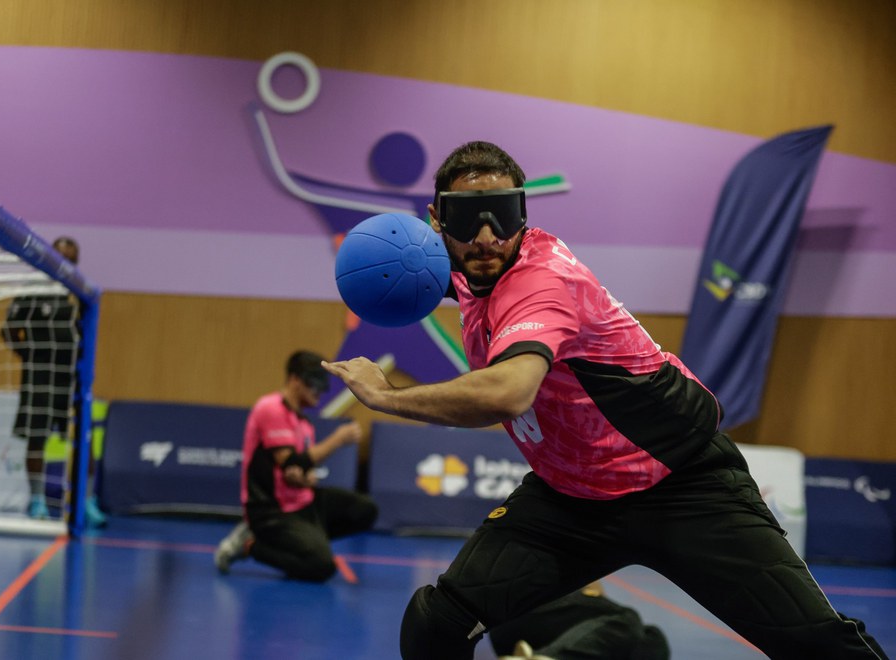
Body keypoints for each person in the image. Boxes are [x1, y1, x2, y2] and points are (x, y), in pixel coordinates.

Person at [322, 141, 888, 659]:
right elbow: (417, 268)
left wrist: (387, 396)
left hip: (683, 485)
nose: (489, 235)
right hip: (570, 501)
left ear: (525, 216)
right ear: (437, 223)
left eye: (506, 214)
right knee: (436, 624)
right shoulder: (466, 266)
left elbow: (508, 393)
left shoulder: (541, 280)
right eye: (468, 218)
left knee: (820, 647)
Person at [216, 350, 378, 582]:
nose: (319, 392)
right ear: (294, 380)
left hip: (303, 502)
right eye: (314, 384)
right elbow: (292, 462)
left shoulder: (304, 424)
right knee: (321, 567)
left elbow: (296, 469)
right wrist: (338, 440)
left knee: (366, 510)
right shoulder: (270, 408)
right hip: (272, 511)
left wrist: (305, 477)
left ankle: (309, 539)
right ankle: (250, 545)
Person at [2, 236, 106, 527]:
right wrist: (28, 356)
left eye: (70, 259)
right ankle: (36, 500)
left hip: (72, 379)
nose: (64, 263)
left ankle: (87, 502)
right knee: (37, 439)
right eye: (59, 256)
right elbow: (8, 330)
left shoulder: (81, 293)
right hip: (39, 379)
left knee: (83, 439)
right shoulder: (32, 290)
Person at [489, 582, 669, 660]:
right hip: (532, 610)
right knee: (627, 618)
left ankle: (541, 656)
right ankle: (551, 657)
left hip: (508, 628)